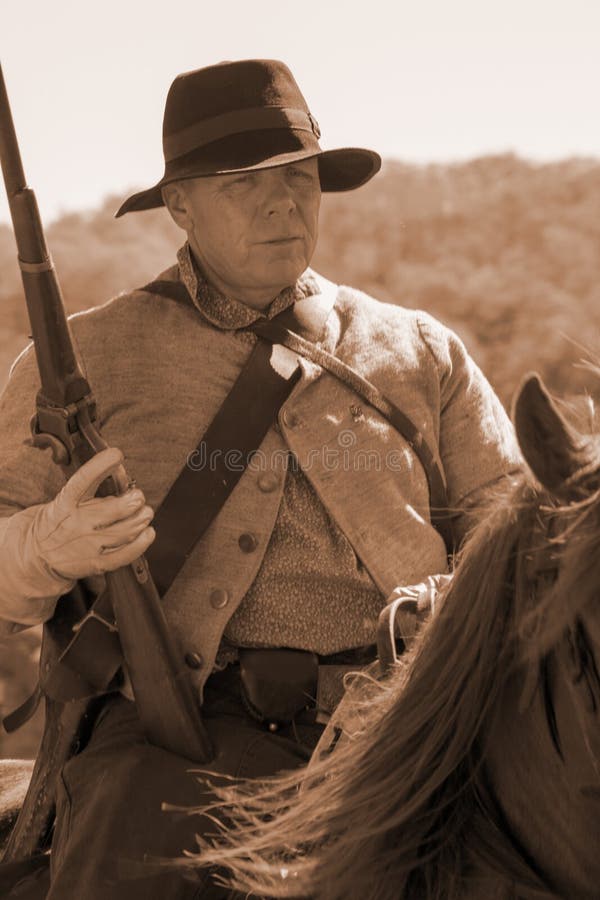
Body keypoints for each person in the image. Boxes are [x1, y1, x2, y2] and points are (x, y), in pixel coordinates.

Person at [0, 59, 521, 898]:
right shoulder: (87, 358)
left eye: (299, 177)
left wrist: (452, 600)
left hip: (412, 727)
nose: (283, 203)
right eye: (244, 183)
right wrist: (43, 548)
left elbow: (514, 535)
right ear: (179, 206)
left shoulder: (422, 350)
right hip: (181, 739)